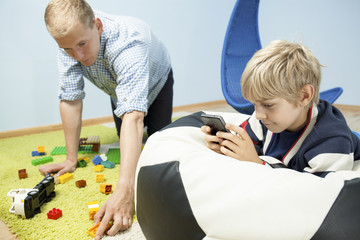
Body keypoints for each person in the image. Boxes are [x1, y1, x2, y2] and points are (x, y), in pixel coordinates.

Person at [40, 0, 173, 239]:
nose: (78, 55)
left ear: (98, 26)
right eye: (68, 49)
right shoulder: (69, 42)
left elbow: (134, 116)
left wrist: (125, 190)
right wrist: (71, 159)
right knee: (129, 143)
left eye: (82, 44)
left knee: (158, 146)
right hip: (118, 88)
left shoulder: (129, 42)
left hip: (157, 81)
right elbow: (71, 99)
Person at [202, 40, 360, 177]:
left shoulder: (332, 142)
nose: (258, 115)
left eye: (268, 105)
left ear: (304, 96)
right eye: (254, 104)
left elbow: (316, 196)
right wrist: (225, 147)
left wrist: (257, 164)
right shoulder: (265, 118)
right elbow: (246, 146)